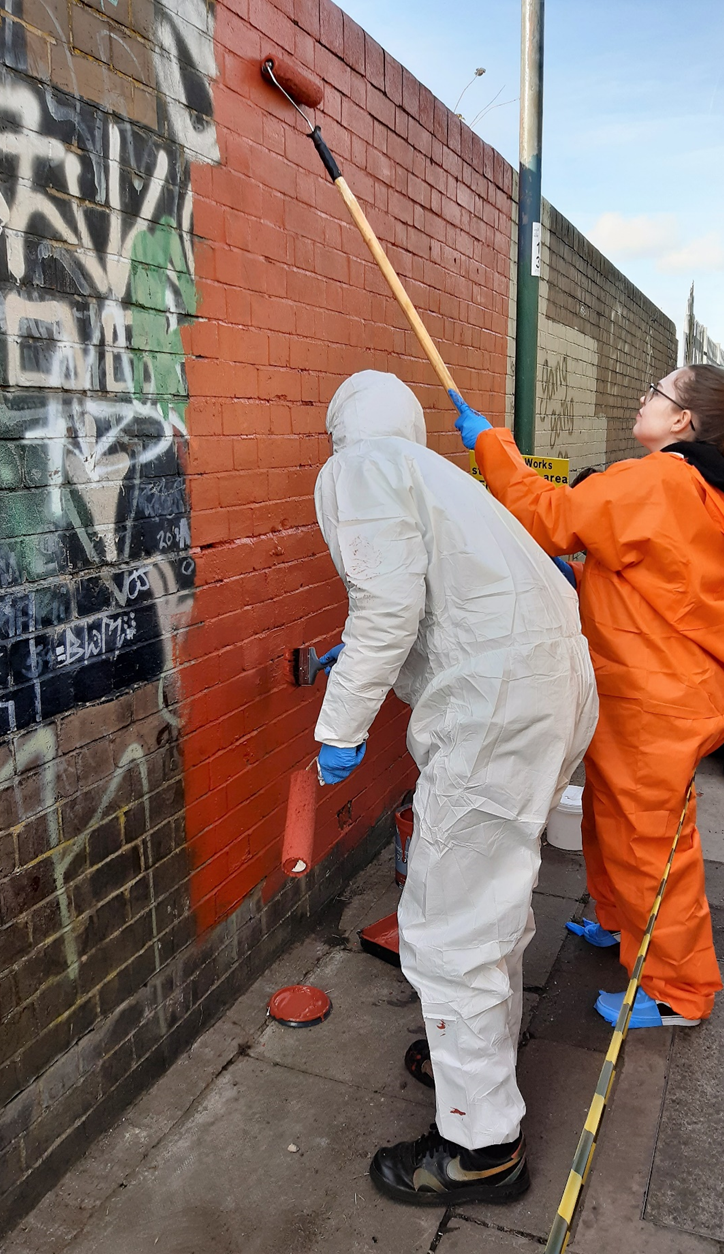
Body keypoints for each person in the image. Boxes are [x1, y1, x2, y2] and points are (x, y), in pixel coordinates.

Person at [313, 370, 598, 1205]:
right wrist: (371, 657)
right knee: (489, 902)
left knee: (448, 928)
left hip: (496, 710)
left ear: (341, 428)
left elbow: (387, 606)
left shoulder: (361, 467)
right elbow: (450, 597)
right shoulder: (437, 476)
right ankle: (472, 1066)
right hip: (553, 693)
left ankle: (481, 1148)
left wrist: (340, 725)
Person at [451, 364, 724, 1028]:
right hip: (651, 685)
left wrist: (491, 445)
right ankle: (618, 921)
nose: (642, 398)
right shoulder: (699, 486)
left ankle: (678, 992)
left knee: (650, 844)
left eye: (656, 392)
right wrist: (586, 575)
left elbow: (549, 516)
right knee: (613, 818)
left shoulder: (659, 480)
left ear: (683, 419)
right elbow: (646, 572)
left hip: (647, 696)